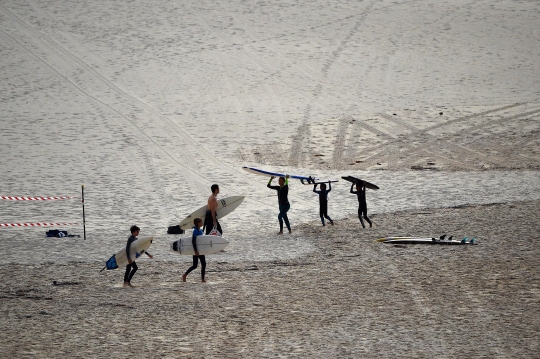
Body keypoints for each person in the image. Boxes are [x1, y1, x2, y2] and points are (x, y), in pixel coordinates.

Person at [182, 218, 206, 283]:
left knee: (203, 264)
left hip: (201, 250)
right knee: (195, 265)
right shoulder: (195, 231)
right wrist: (195, 251)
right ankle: (185, 275)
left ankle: (203, 279)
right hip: (196, 250)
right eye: (201, 221)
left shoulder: (200, 230)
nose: (202, 222)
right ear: (198, 223)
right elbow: (193, 241)